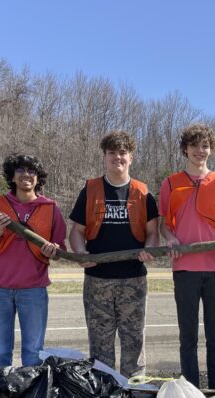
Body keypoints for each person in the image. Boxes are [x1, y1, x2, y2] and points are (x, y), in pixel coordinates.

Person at [68, 131, 159, 378]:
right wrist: (80, 252)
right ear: (104, 157)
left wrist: (148, 249)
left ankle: (134, 395)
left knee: (134, 341)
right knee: (100, 344)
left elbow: (153, 232)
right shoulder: (90, 189)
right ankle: (105, 397)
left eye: (122, 153)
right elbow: (76, 231)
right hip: (98, 279)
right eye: (111, 153)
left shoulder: (143, 193)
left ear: (131, 157)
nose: (117, 157)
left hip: (133, 279)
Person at [159, 123, 215, 390]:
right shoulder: (170, 183)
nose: (199, 151)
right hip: (184, 268)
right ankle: (190, 391)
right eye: (194, 145)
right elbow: (164, 225)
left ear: (210, 150)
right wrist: (171, 239)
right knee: (188, 336)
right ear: (185, 149)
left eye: (205, 145)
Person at [0, 153, 66, 368]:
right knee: (0, 354)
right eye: (20, 170)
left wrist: (52, 251)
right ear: (12, 176)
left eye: (31, 171)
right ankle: (0, 397)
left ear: (38, 178)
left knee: (34, 355)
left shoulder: (51, 209)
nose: (26, 175)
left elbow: (60, 250)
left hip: (34, 290)